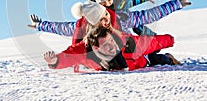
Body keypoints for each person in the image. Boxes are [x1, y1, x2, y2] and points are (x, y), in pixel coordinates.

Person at [28, 0, 192, 45]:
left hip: (126, 49)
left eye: (104, 16)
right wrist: (40, 25)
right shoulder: (85, 26)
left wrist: (178, 3)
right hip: (105, 56)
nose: (103, 21)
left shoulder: (123, 18)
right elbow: (62, 28)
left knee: (149, 50)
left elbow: (151, 14)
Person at [43, 26, 180, 71]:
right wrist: (55, 61)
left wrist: (169, 40)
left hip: (142, 60)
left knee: (157, 58)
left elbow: (150, 43)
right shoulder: (86, 53)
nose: (112, 47)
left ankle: (169, 57)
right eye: (106, 45)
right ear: (95, 48)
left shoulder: (126, 43)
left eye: (111, 41)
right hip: (129, 63)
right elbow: (69, 55)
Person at [82, 0, 158, 35]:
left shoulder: (120, 0)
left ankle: (152, 37)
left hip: (124, 16)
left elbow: (133, 0)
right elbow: (90, 0)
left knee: (137, 26)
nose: (107, 4)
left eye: (109, 0)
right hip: (116, 24)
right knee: (125, 36)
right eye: (103, 2)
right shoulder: (95, 4)